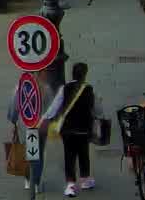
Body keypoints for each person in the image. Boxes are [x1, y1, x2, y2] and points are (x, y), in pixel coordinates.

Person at [46, 60, 102, 195]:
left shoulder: (64, 88)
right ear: (84, 75)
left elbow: (55, 106)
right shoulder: (89, 89)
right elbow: (97, 109)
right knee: (84, 154)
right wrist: (99, 116)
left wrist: (46, 118)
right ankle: (85, 180)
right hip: (84, 129)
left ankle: (70, 185)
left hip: (67, 130)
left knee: (69, 155)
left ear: (72, 74)